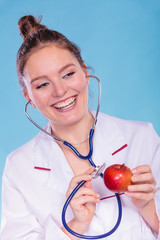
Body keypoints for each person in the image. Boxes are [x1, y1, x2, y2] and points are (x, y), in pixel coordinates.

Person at [0, 15, 160, 240]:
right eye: (43, 84)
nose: (60, 91)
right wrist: (75, 225)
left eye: (68, 74)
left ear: (84, 72)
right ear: (29, 96)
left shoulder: (142, 137)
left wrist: (148, 208)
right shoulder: (19, 168)